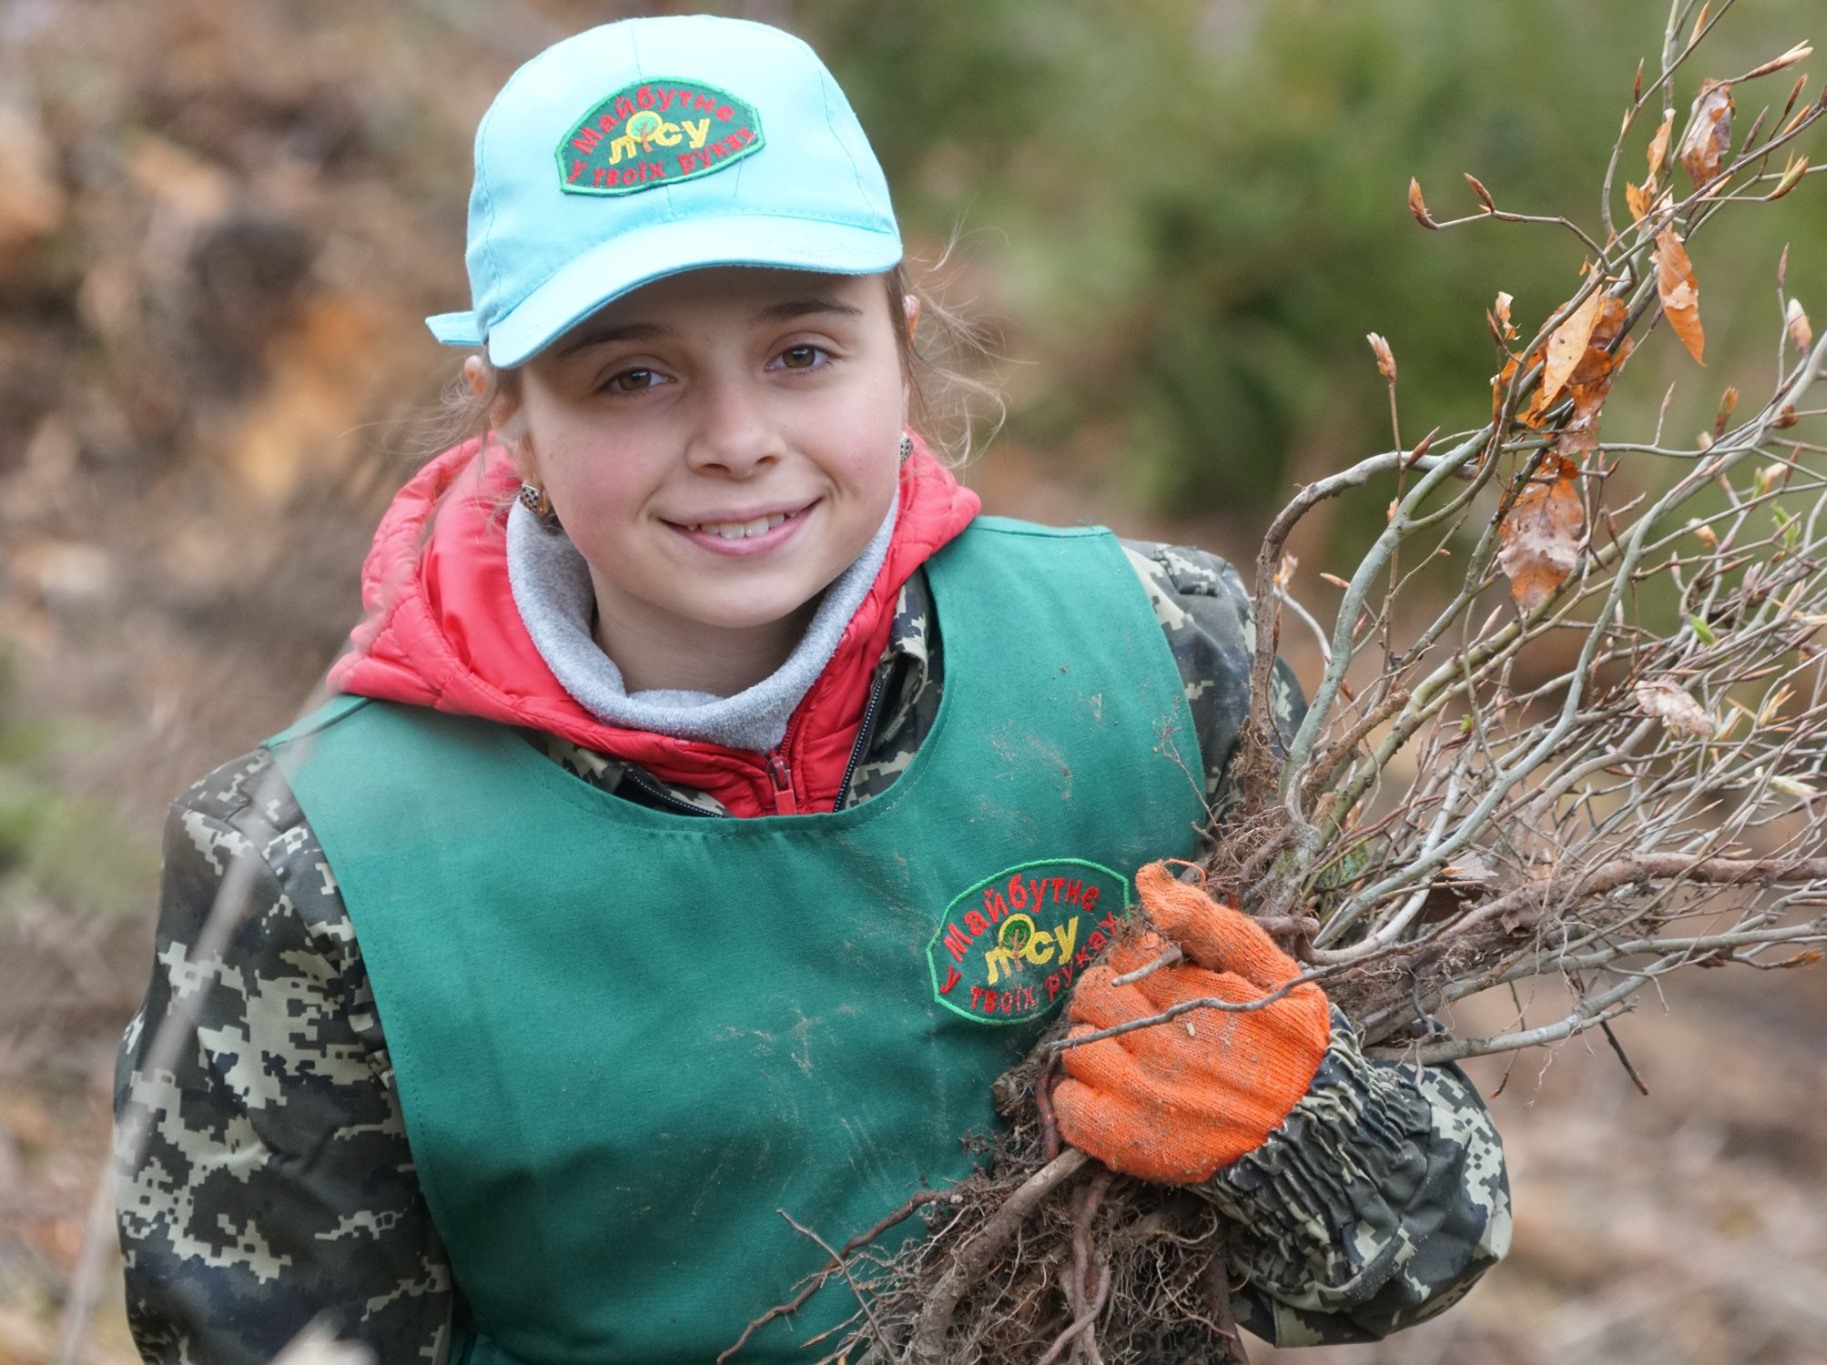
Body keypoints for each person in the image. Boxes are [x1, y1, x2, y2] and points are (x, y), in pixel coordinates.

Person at [113, 15, 1509, 1363]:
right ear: (512, 420)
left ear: (903, 344)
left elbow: (1432, 1235)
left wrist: (1302, 1132)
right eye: (633, 377)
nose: (737, 440)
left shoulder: (1162, 660)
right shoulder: (314, 867)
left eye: (801, 353)